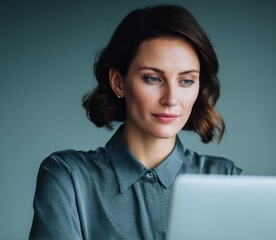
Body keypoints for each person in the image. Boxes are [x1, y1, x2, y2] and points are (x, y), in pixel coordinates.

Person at [29, 4, 242, 240]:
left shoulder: (225, 179)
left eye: (186, 81)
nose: (171, 99)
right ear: (118, 82)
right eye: (152, 78)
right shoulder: (67, 177)